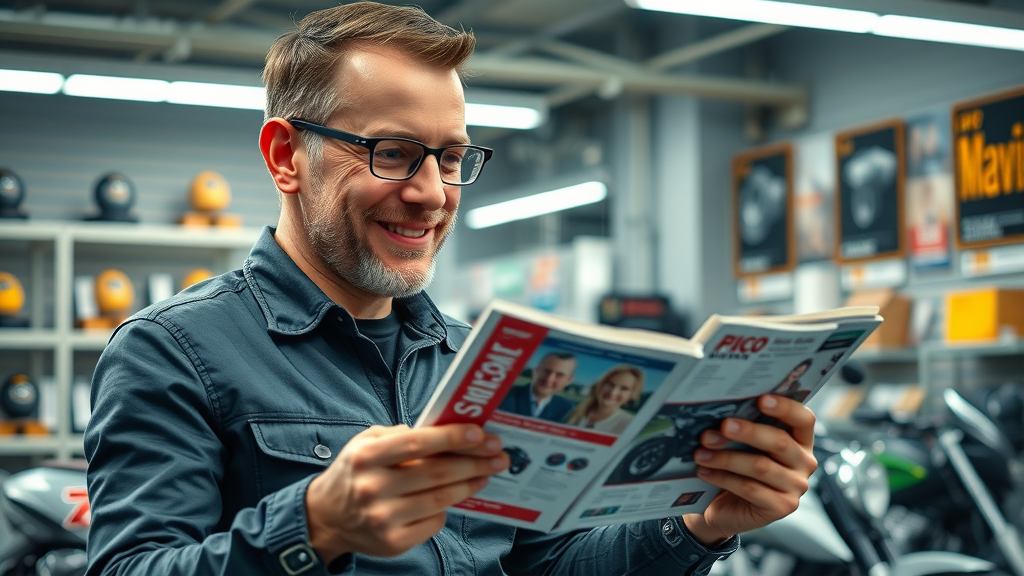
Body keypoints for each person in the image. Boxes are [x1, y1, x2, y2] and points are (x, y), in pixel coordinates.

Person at [83, 3, 818, 575]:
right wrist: (314, 526)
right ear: (286, 157)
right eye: (395, 153)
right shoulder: (172, 352)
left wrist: (700, 523)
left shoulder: (477, 360)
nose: (433, 194)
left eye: (453, 157)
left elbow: (541, 566)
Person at [564, 365, 643, 435]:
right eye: (610, 384)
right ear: (600, 384)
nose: (613, 392)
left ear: (632, 395)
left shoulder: (630, 424)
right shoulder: (573, 411)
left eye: (624, 388)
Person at [497, 352, 577, 422]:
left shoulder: (567, 409)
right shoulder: (503, 394)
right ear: (535, 371)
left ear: (569, 380)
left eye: (559, 375)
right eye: (546, 371)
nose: (549, 379)